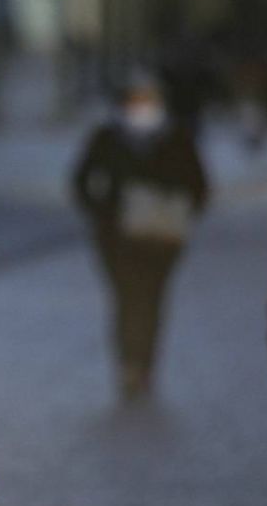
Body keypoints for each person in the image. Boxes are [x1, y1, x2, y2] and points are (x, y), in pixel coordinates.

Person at [73, 72, 209, 399]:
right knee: (125, 299)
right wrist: (103, 213)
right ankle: (128, 365)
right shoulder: (107, 136)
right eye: (135, 100)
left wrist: (175, 212)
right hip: (116, 238)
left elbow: (200, 185)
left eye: (148, 100)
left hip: (162, 239)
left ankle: (145, 365)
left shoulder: (176, 137)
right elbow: (80, 181)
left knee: (152, 300)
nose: (142, 107)